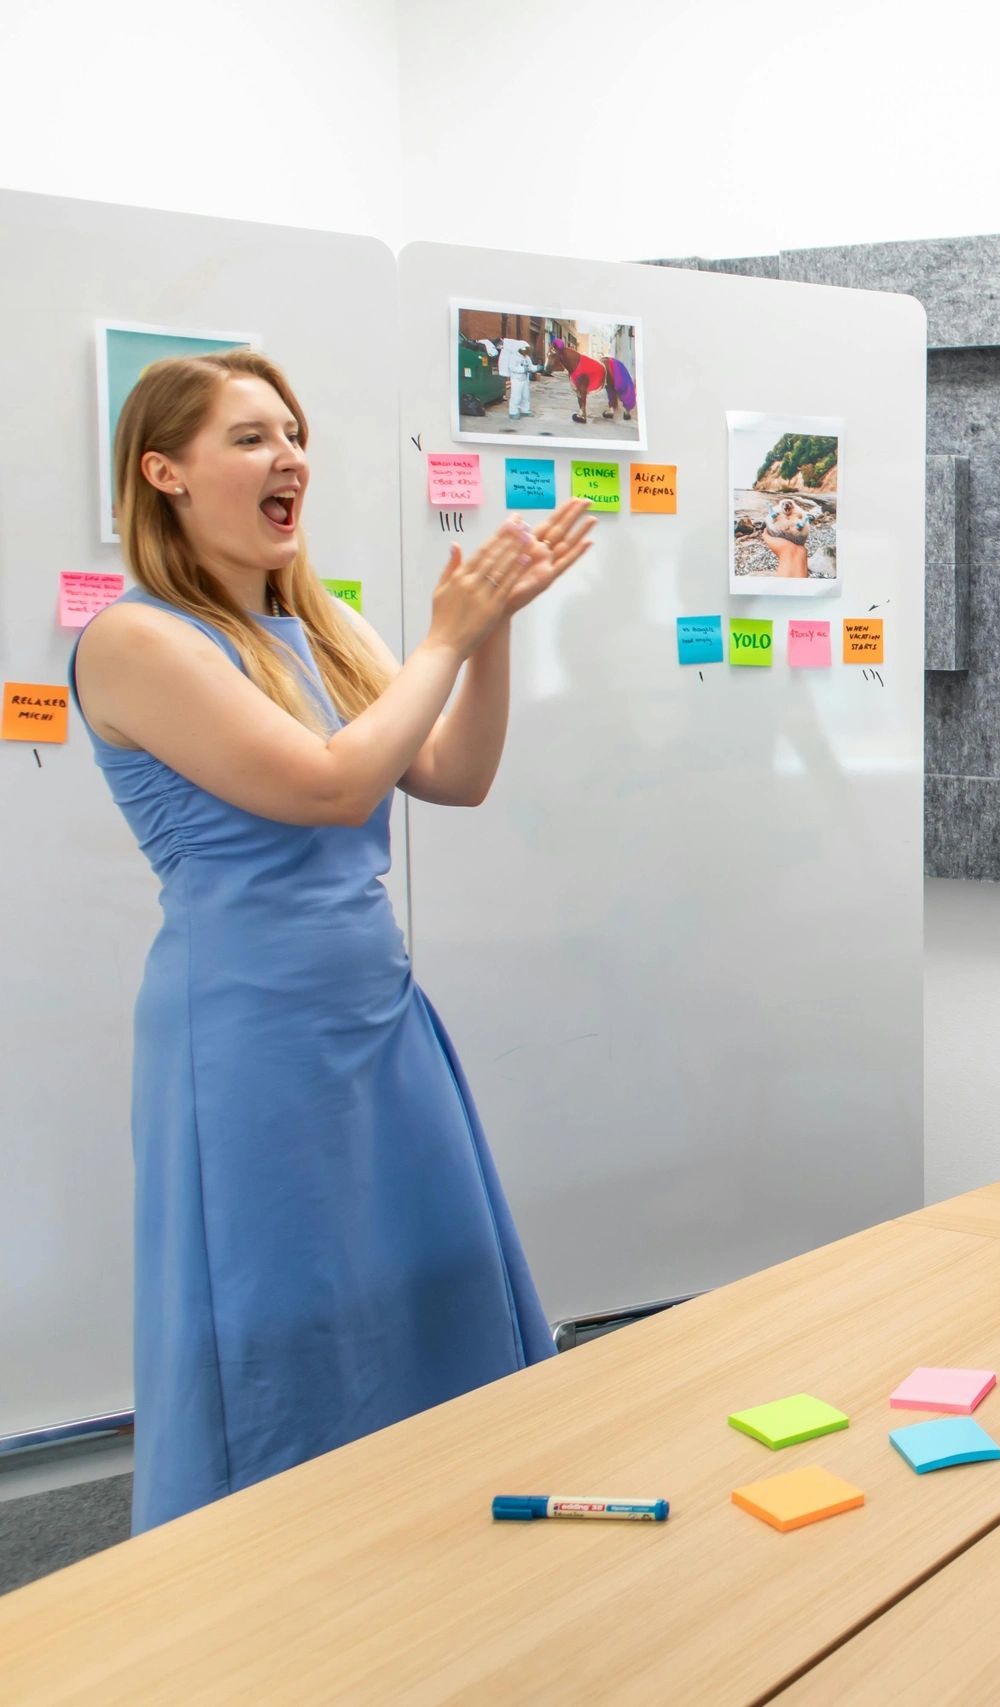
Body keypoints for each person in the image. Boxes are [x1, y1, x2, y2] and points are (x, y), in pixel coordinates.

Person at [70, 349, 596, 1531]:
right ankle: (270, 1583)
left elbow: (452, 776)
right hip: (245, 1033)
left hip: (375, 1011)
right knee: (280, 1314)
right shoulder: (135, 642)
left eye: (293, 434)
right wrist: (444, 643)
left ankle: (422, 1552)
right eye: (251, 437)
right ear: (164, 472)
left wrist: (492, 630)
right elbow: (323, 786)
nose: (288, 456)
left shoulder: (325, 626)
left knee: (425, 1292)